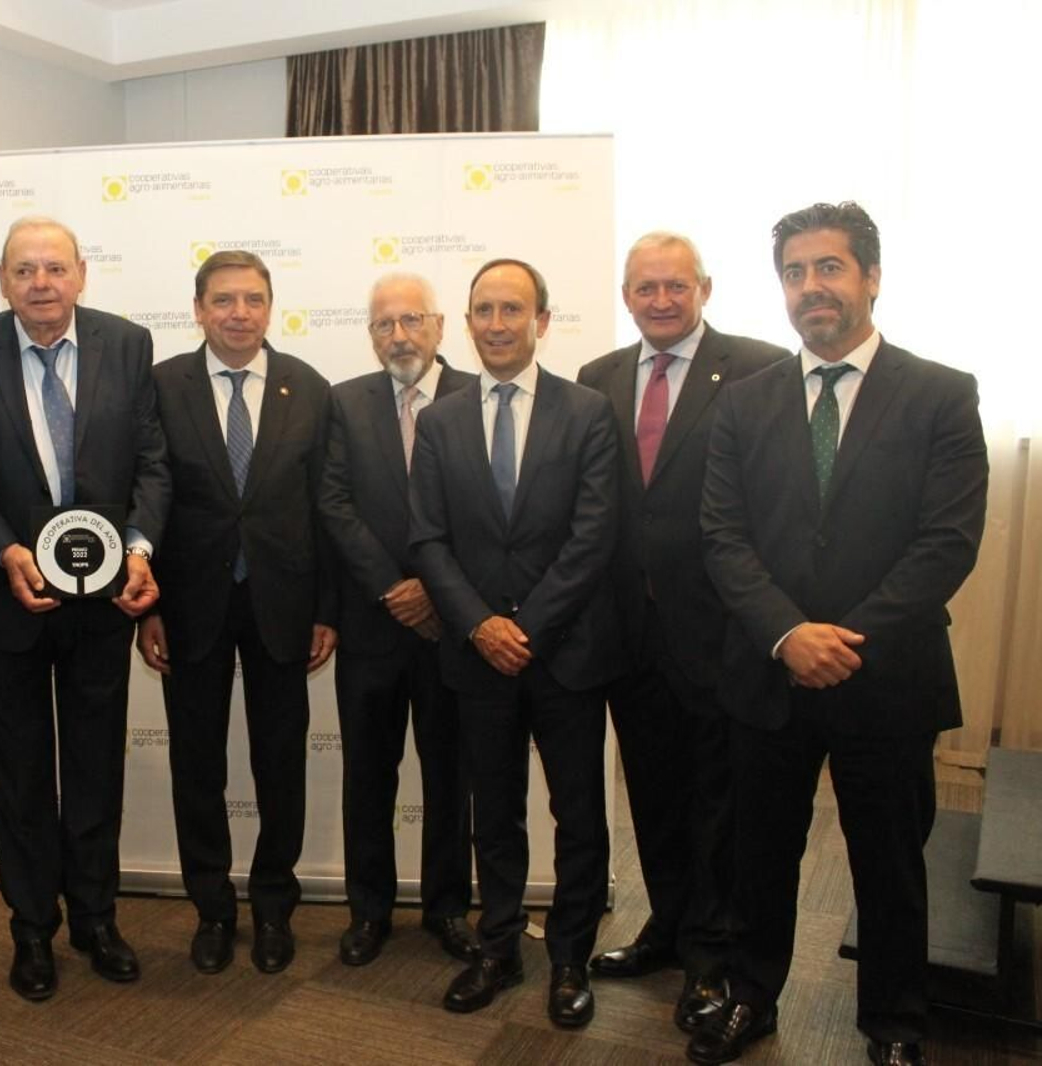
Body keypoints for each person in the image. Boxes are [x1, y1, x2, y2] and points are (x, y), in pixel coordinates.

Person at [687, 203, 987, 1066]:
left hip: (886, 678)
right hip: (768, 674)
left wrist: (843, 638)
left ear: (871, 278)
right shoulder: (743, 406)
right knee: (761, 856)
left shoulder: (941, 394)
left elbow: (947, 543)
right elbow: (723, 536)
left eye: (829, 268)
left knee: (888, 864)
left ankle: (893, 1024)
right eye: (795, 272)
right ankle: (752, 994)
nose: (811, 287)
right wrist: (787, 635)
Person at [0, 216, 169, 1001]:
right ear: (3, 281)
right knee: (18, 774)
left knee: (94, 767)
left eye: (54, 268)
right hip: (5, 601)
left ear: (81, 274)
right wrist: (6, 551)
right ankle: (32, 929)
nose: (41, 283)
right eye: (24, 270)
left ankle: (95, 918)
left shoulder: (127, 345)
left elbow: (154, 465)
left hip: (102, 605)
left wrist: (139, 549)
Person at [577, 233, 785, 1029]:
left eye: (675, 286)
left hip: (719, 630)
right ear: (626, 295)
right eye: (645, 288)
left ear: (704, 288)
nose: (660, 301)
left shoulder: (760, 367)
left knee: (717, 802)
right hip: (628, 632)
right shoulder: (597, 379)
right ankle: (667, 928)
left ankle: (713, 955)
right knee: (654, 794)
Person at [409, 258, 619, 1026]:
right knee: (491, 813)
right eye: (483, 311)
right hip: (475, 655)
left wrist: (526, 628)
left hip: (566, 652)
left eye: (512, 310)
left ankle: (569, 957)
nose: (496, 324)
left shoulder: (588, 411)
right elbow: (428, 540)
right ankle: (499, 946)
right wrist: (479, 624)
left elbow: (594, 536)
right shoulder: (439, 420)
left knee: (580, 813)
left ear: (542, 321)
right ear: (465, 324)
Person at [136, 250, 337, 976]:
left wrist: (328, 610)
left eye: (253, 299)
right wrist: (145, 607)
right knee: (198, 766)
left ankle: (274, 908)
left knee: (280, 764)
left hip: (285, 608)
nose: (239, 313)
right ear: (197, 309)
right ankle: (213, 909)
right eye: (223, 300)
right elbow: (146, 495)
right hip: (188, 608)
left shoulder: (308, 388)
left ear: (270, 307)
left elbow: (327, 509)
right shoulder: (161, 387)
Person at [318, 271, 478, 967]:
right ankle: (370, 911)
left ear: (441, 326)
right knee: (369, 776)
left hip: (454, 628)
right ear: (371, 333)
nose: (399, 335)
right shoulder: (343, 403)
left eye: (412, 320)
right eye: (384, 323)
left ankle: (447, 909)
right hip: (373, 628)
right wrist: (394, 587)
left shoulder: (481, 396)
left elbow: (492, 512)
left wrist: (437, 593)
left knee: (451, 776)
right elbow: (334, 504)